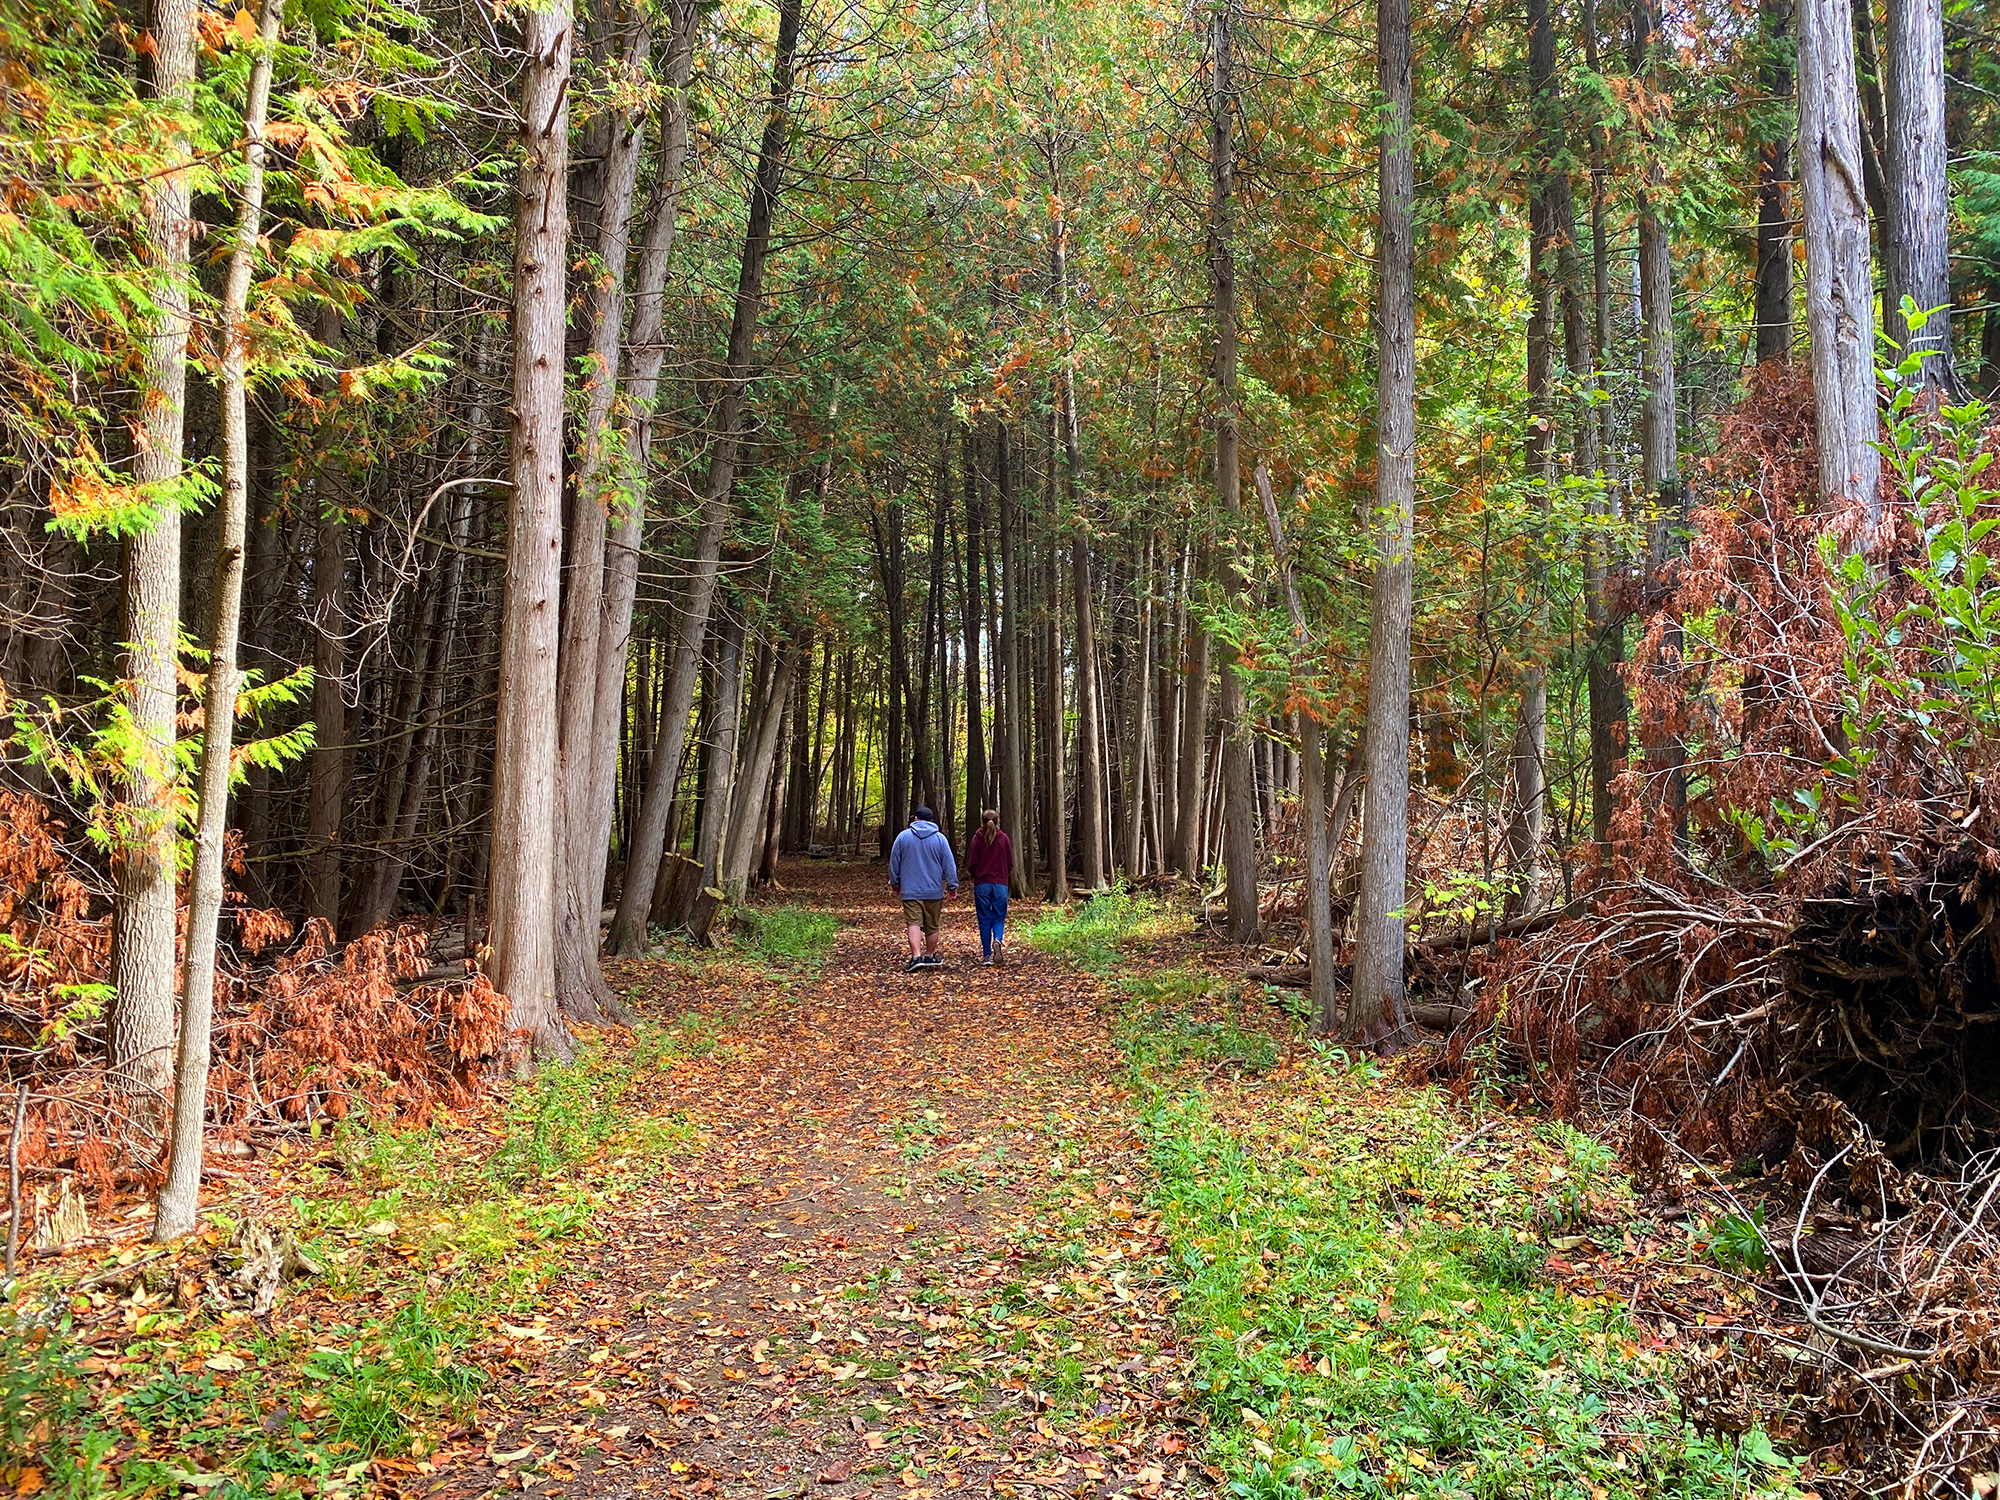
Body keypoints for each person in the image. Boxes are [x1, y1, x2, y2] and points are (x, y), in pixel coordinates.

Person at [887, 805, 957, 971]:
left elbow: (894, 863)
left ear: (915, 819)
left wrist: (895, 883)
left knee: (914, 923)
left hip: (910, 890)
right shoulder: (940, 839)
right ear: (931, 820)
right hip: (934, 891)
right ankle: (930, 955)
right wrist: (952, 886)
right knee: (932, 925)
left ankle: (916, 956)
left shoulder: (903, 837)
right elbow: (949, 864)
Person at [966, 808, 1013, 966]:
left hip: (982, 884)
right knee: (998, 917)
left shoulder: (976, 839)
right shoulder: (1004, 838)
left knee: (984, 919)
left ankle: (986, 955)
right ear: (997, 821)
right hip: (1000, 884)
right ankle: (998, 940)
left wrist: (976, 874)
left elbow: (972, 863)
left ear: (982, 821)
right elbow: (1010, 863)